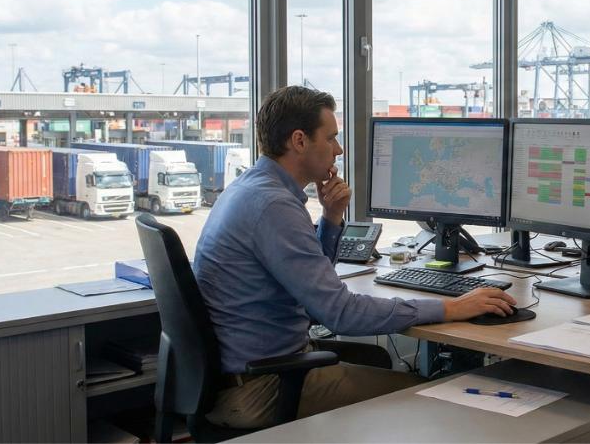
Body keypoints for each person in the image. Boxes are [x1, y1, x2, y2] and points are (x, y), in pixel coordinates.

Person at [192, 86, 515, 429]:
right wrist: (450, 308)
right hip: (262, 389)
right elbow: (340, 314)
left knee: (377, 358)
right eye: (331, 138)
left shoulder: (251, 188)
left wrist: (331, 217)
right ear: (299, 141)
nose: (339, 149)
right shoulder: (274, 207)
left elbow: (311, 284)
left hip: (249, 372)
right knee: (430, 395)